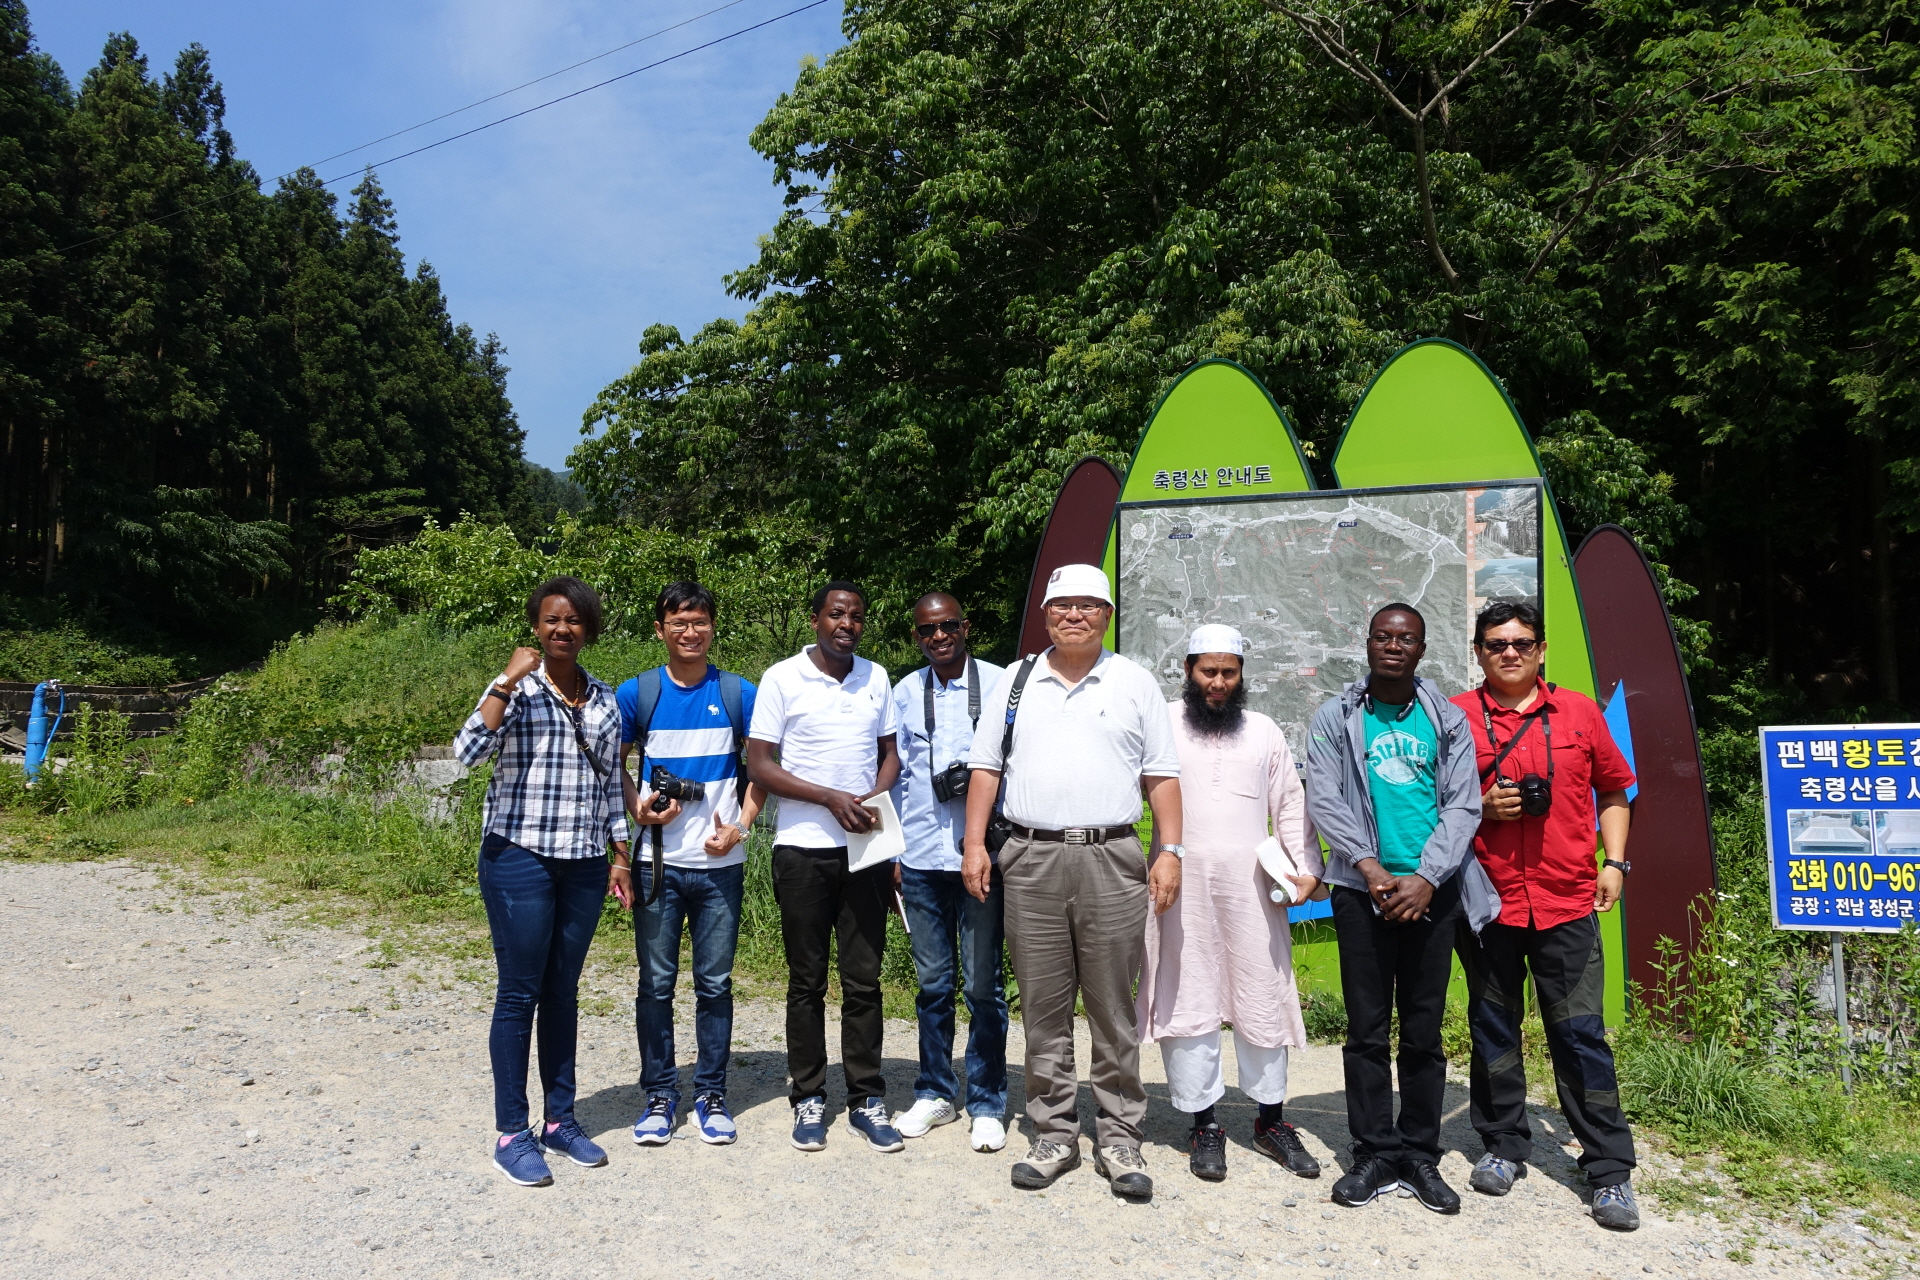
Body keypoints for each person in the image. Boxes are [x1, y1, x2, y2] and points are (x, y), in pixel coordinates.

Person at [963, 562, 1184, 1202]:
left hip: (1112, 856)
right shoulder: (1016, 681)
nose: (1075, 616)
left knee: (1114, 1007)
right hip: (1028, 858)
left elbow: (1162, 776)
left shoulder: (1134, 681)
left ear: (1108, 615)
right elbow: (985, 769)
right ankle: (1053, 1133)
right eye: (1063, 606)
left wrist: (1169, 850)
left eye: (1089, 606)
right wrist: (976, 845)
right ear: (1046, 614)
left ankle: (1119, 1138)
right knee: (1043, 1006)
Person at [1450, 600, 1642, 1231]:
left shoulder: (1581, 712)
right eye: (1496, 643)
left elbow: (1614, 789)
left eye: (1522, 642)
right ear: (1478, 651)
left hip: (1566, 901)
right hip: (1489, 903)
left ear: (1541, 650)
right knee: (1494, 1030)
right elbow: (1431, 804)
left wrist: (1615, 863)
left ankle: (1609, 1171)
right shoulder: (1453, 717)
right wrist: (1482, 808)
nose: (1510, 652)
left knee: (1581, 1034)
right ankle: (1504, 1145)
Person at [1304, 602, 1497, 1214]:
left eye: (1405, 638)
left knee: (1422, 1031)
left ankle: (1419, 1153)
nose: (1394, 646)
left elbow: (1465, 806)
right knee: (1365, 1030)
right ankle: (1372, 1152)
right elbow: (1324, 794)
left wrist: (1424, 878)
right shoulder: (1337, 716)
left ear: (1421, 648)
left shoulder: (1445, 719)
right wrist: (1368, 866)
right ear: (1367, 643)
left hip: (1431, 894)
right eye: (1384, 636)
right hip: (1363, 893)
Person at [454, 576, 627, 1188]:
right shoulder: (517, 689)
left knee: (563, 991)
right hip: (518, 857)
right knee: (519, 992)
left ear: (589, 630)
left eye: (574, 620)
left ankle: (560, 1119)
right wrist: (505, 677)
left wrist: (620, 856)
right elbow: (467, 750)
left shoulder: (605, 701)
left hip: (582, 862)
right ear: (537, 626)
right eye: (551, 619)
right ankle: (511, 1132)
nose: (562, 629)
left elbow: (611, 785)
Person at [1139, 624, 1324, 1183]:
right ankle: (1204, 1124)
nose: (1218, 683)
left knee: (1261, 992)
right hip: (1178, 889)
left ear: (1242, 675)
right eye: (1207, 672)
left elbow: (1290, 803)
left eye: (1229, 672)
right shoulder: (1163, 723)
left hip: (1252, 891)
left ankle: (1271, 1120)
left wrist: (1307, 869)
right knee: (1187, 995)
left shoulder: (1263, 731)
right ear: (1189, 671)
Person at [745, 581, 903, 1154]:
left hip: (863, 848)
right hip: (802, 847)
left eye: (857, 616)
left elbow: (891, 755)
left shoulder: (877, 677)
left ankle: (866, 1096)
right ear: (815, 619)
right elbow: (759, 764)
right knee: (806, 979)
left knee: (864, 979)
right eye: (837, 614)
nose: (847, 623)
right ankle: (809, 1095)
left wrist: (871, 800)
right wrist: (829, 797)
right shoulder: (782, 678)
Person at [613, 581, 768, 1149]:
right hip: (658, 863)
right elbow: (614, 764)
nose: (690, 632)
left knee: (714, 982)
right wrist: (635, 806)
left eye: (699, 621)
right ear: (660, 630)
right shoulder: (639, 693)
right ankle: (659, 1093)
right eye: (678, 622)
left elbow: (763, 770)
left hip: (719, 864)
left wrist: (740, 827)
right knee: (655, 984)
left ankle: (710, 1093)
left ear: (712, 626)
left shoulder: (737, 693)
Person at [888, 593, 1010, 1152]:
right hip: (918, 859)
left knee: (983, 987)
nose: (938, 637)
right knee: (932, 986)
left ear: (966, 627)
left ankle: (987, 1099)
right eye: (926, 630)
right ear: (916, 636)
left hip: (979, 858)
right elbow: (894, 776)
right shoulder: (905, 692)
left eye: (948, 626)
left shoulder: (1002, 682)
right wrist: (891, 851)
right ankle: (936, 1091)